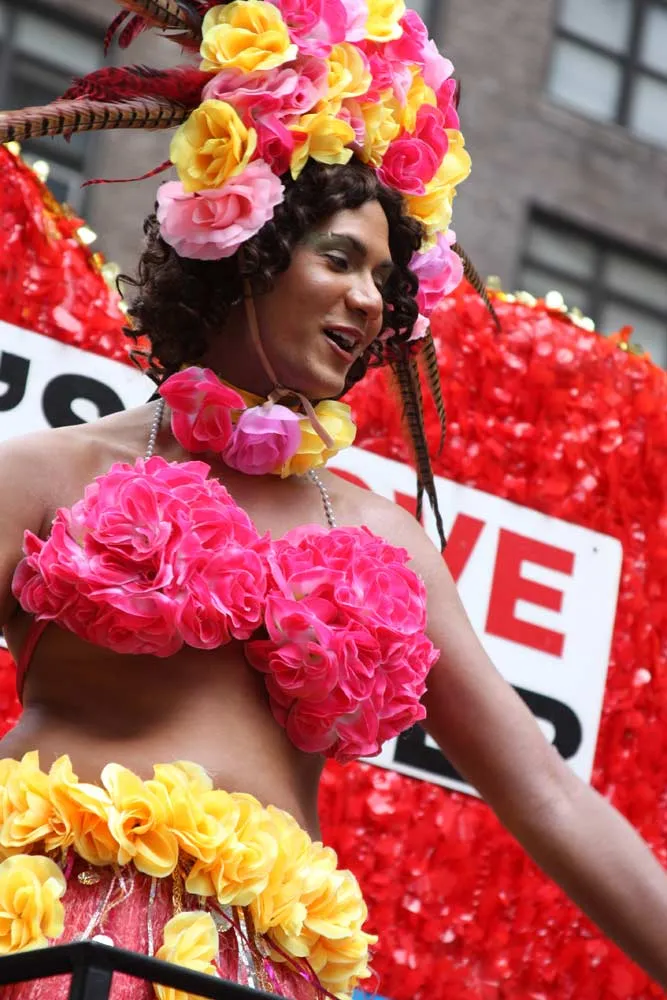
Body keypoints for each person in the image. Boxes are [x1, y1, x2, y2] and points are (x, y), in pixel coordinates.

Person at [1, 1, 667, 998]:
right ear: (246, 247)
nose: (367, 299)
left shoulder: (378, 533)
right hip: (48, 943)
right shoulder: (52, 471)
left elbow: (546, 795)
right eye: (340, 259)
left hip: (262, 978)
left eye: (384, 281)